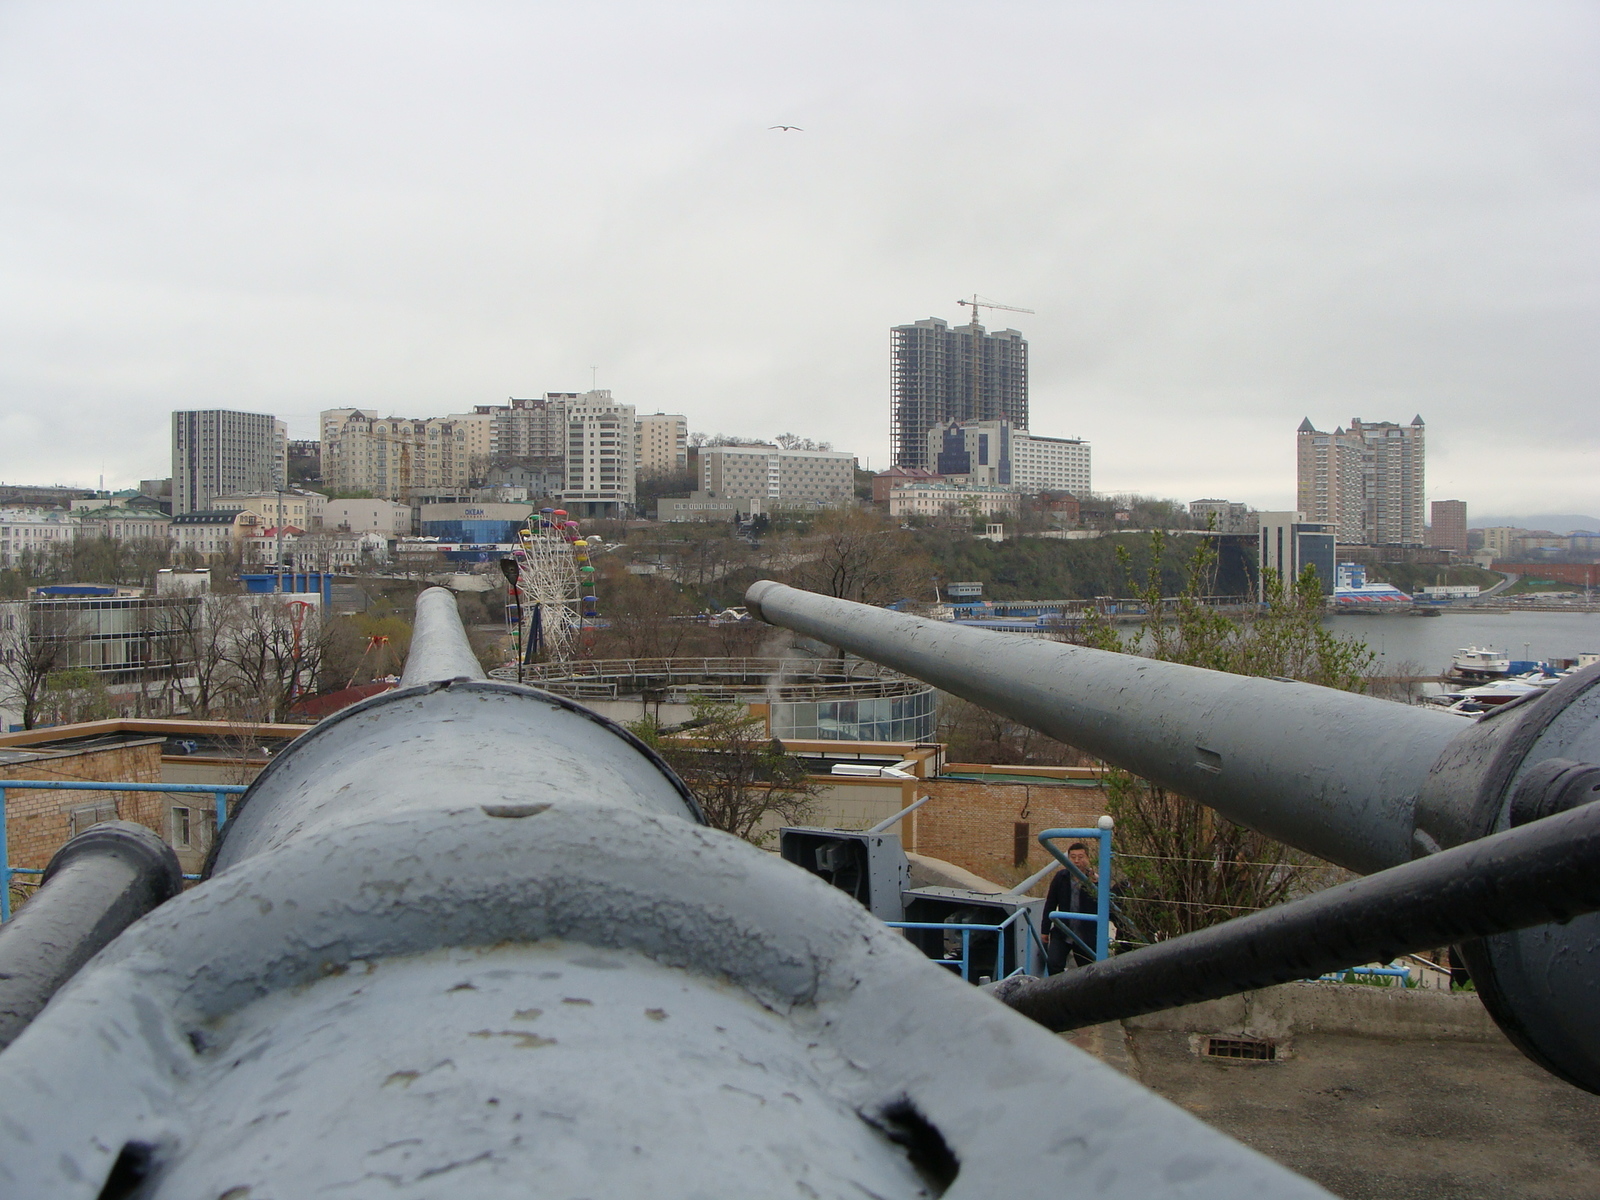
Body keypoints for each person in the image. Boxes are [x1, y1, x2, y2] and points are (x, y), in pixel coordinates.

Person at [1043, 843, 1099, 974]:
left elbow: (1104, 906)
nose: (1077, 861)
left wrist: (1096, 885)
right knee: (1053, 963)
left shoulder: (1094, 881)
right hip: (1063, 931)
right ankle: (1056, 992)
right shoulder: (1060, 877)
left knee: (1087, 970)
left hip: (1085, 933)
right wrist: (1044, 930)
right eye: (1073, 857)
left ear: (1088, 858)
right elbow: (1050, 903)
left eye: (1081, 857)